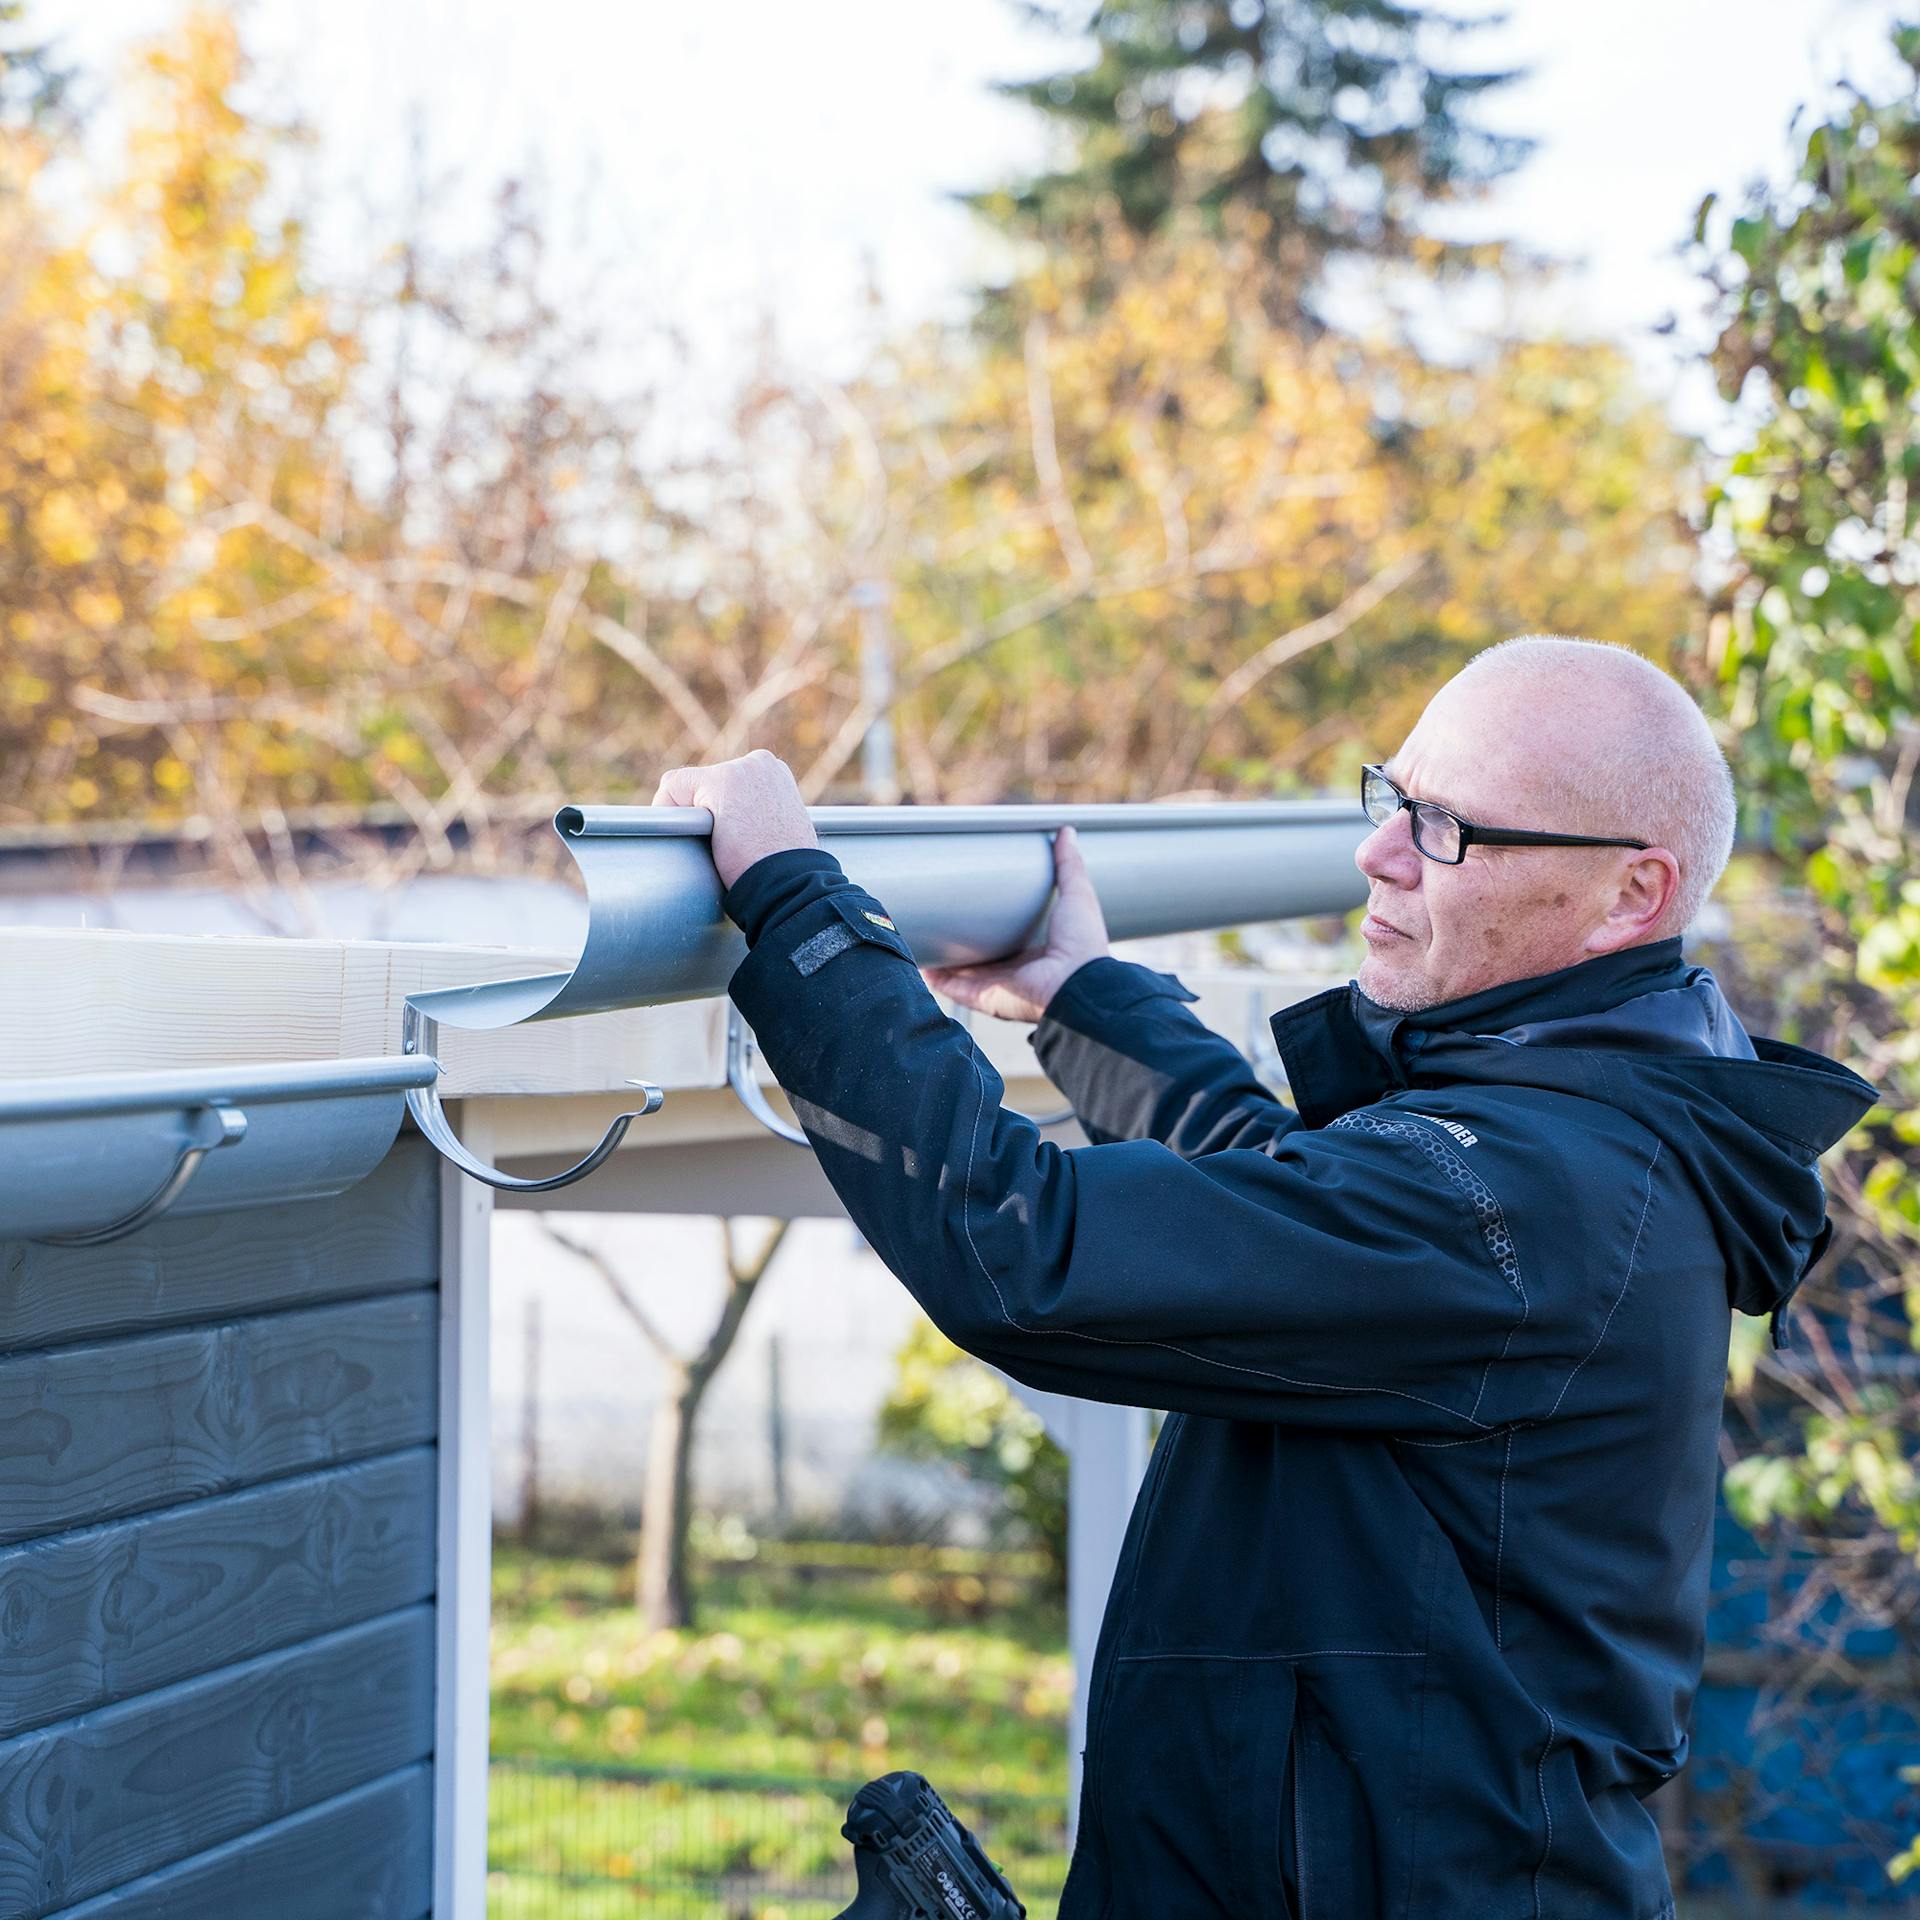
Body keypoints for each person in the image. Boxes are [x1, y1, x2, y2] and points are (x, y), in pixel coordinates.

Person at [652, 636, 1875, 1920]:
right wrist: (1088, 999)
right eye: (1391, 797)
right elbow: (1302, 1202)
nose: (1382, 853)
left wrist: (802, 909)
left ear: (1632, 896)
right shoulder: (1569, 1136)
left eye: (1448, 830)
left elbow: (1022, 1249)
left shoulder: (1537, 1194)